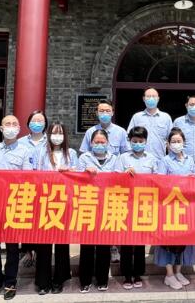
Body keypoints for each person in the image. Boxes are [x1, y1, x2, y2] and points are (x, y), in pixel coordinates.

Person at [0, 115, 32, 300]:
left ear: (19, 128)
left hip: (13, 204)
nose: (11, 127)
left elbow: (28, 178)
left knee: (12, 246)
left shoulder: (25, 151)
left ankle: (10, 281)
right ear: (1, 128)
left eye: (14, 124)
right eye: (7, 124)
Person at [79, 100, 129, 263]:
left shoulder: (121, 132)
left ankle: (113, 248)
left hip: (111, 189)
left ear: (112, 112)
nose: (104, 113)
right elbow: (84, 156)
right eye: (101, 111)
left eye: (107, 110)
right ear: (97, 113)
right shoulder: (90, 132)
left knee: (109, 223)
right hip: (91, 191)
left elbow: (125, 154)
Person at [75, 129, 122, 293]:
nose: (100, 145)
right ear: (91, 143)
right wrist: (85, 173)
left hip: (107, 205)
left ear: (107, 143)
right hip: (88, 204)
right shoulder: (84, 158)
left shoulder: (115, 159)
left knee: (104, 245)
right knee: (87, 246)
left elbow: (119, 179)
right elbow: (76, 180)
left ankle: (102, 279)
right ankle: (85, 280)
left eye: (102, 142)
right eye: (97, 142)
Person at [33, 121, 78, 295]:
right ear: (48, 135)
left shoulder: (71, 153)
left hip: (64, 202)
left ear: (65, 135)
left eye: (60, 133)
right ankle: (43, 282)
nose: (57, 136)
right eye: (54, 133)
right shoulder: (41, 152)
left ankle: (59, 279)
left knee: (61, 243)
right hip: (45, 200)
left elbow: (78, 175)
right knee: (44, 244)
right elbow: (35, 174)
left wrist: (70, 171)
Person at [154, 128, 195, 290]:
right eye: (173, 141)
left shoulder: (190, 160)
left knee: (184, 240)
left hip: (186, 206)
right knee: (168, 241)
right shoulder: (164, 161)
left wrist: (194, 178)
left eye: (179, 141)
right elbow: (160, 183)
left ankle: (179, 271)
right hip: (169, 207)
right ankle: (169, 274)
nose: (176, 144)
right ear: (168, 144)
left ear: (184, 143)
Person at [118, 126, 159, 290]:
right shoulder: (122, 158)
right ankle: (127, 275)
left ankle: (138, 273)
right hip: (126, 203)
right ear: (130, 141)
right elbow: (113, 178)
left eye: (141, 141)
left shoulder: (152, 158)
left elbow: (158, 180)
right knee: (127, 241)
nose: (137, 144)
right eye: (134, 141)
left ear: (146, 141)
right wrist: (124, 174)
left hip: (144, 203)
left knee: (140, 242)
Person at [17, 110, 49, 267]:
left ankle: (39, 250)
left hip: (45, 187)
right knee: (27, 219)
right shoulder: (20, 142)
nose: (37, 124)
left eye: (40, 121)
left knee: (41, 219)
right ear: (28, 123)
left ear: (45, 124)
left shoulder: (50, 142)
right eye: (34, 121)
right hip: (27, 187)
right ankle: (27, 250)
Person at [127, 87, 172, 160]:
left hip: (160, 160)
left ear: (158, 99)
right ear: (144, 99)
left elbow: (170, 140)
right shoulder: (137, 117)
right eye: (148, 96)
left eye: (154, 96)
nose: (151, 98)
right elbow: (128, 138)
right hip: (139, 160)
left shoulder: (166, 117)